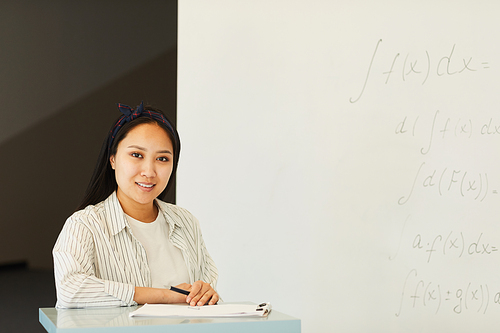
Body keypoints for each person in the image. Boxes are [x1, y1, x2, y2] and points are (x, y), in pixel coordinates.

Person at [53, 102, 219, 308]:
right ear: (112, 159)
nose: (149, 172)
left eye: (162, 158)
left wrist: (206, 293)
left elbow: (207, 287)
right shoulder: (84, 225)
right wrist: (166, 295)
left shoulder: (186, 222)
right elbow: (71, 291)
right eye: (137, 155)